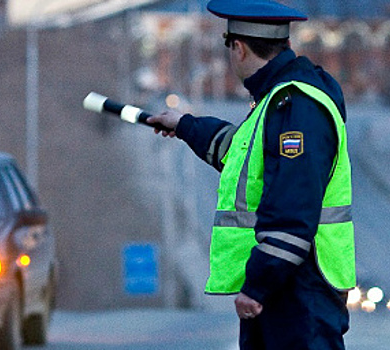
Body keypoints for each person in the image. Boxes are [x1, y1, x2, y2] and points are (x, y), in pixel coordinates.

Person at [146, 1, 356, 349]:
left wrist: (258, 284)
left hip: (299, 291)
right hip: (290, 289)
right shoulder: (278, 100)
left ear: (238, 48)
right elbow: (240, 153)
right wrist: (184, 125)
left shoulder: (295, 106)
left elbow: (292, 208)